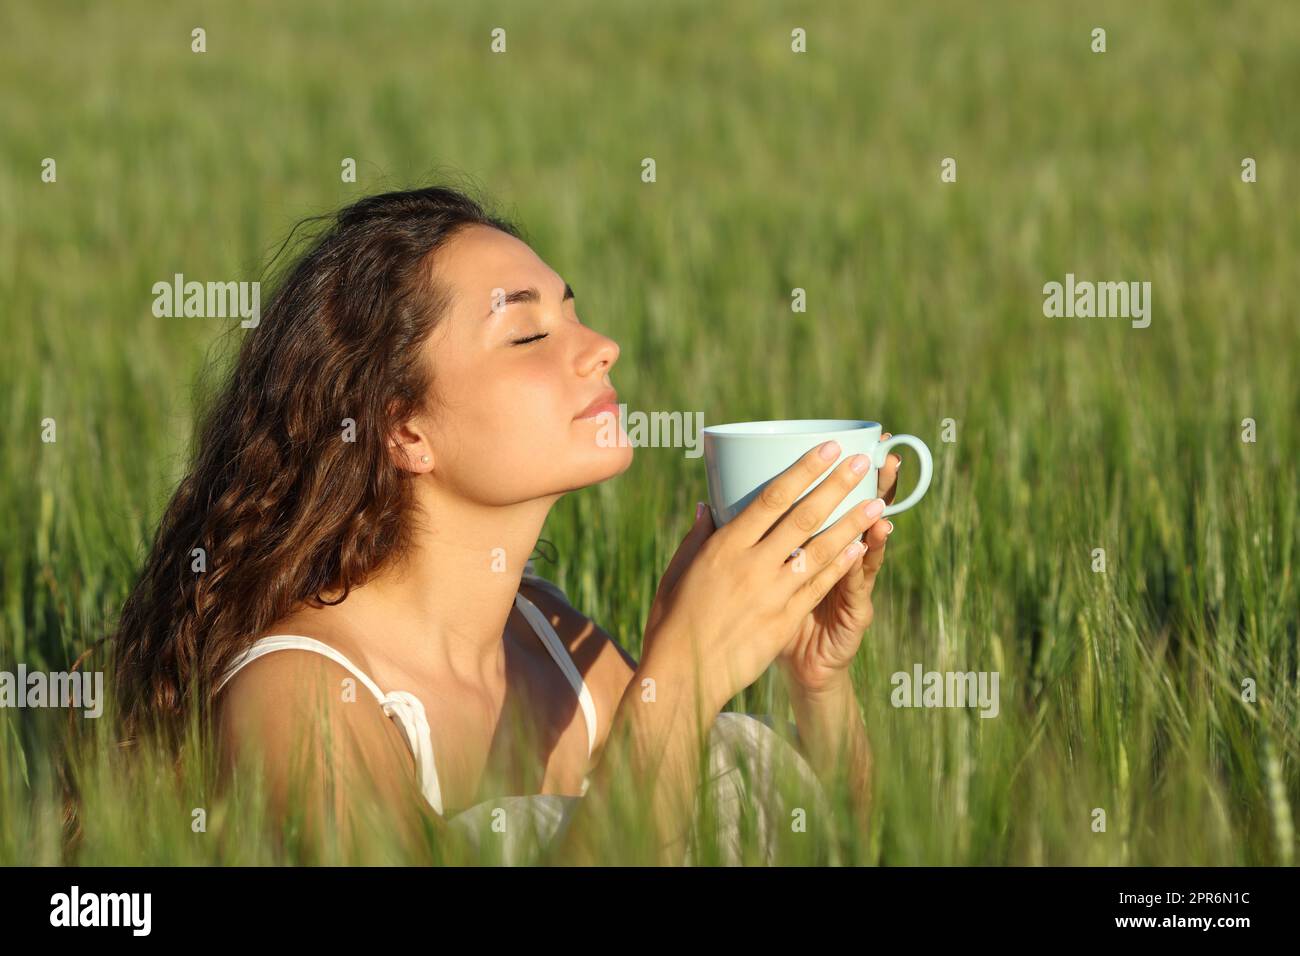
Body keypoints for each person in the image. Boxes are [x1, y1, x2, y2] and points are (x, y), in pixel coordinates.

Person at [110, 185, 900, 865]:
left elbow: (843, 848)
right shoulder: (299, 696)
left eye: (574, 313)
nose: (601, 349)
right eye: (527, 335)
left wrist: (817, 682)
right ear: (405, 430)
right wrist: (682, 675)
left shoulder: (552, 642)